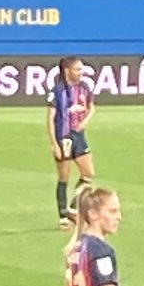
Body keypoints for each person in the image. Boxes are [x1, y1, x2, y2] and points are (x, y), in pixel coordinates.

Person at [46, 57, 96, 229]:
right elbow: (50, 118)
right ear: (67, 70)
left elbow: (92, 107)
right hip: (63, 136)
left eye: (81, 69)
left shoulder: (84, 87)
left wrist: (85, 121)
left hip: (79, 136)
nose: (80, 73)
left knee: (88, 173)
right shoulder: (57, 91)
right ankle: (63, 217)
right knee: (64, 177)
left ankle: (73, 208)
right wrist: (54, 144)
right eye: (77, 69)